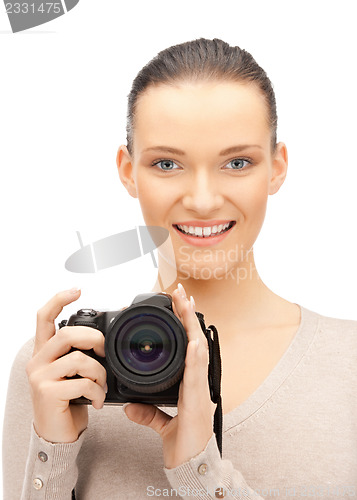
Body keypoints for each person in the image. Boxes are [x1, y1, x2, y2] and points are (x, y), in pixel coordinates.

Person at [3, 38, 357, 499]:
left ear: (276, 167)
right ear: (129, 172)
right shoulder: (60, 368)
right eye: (167, 163)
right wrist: (53, 453)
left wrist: (200, 470)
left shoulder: (348, 365)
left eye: (237, 162)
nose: (204, 200)